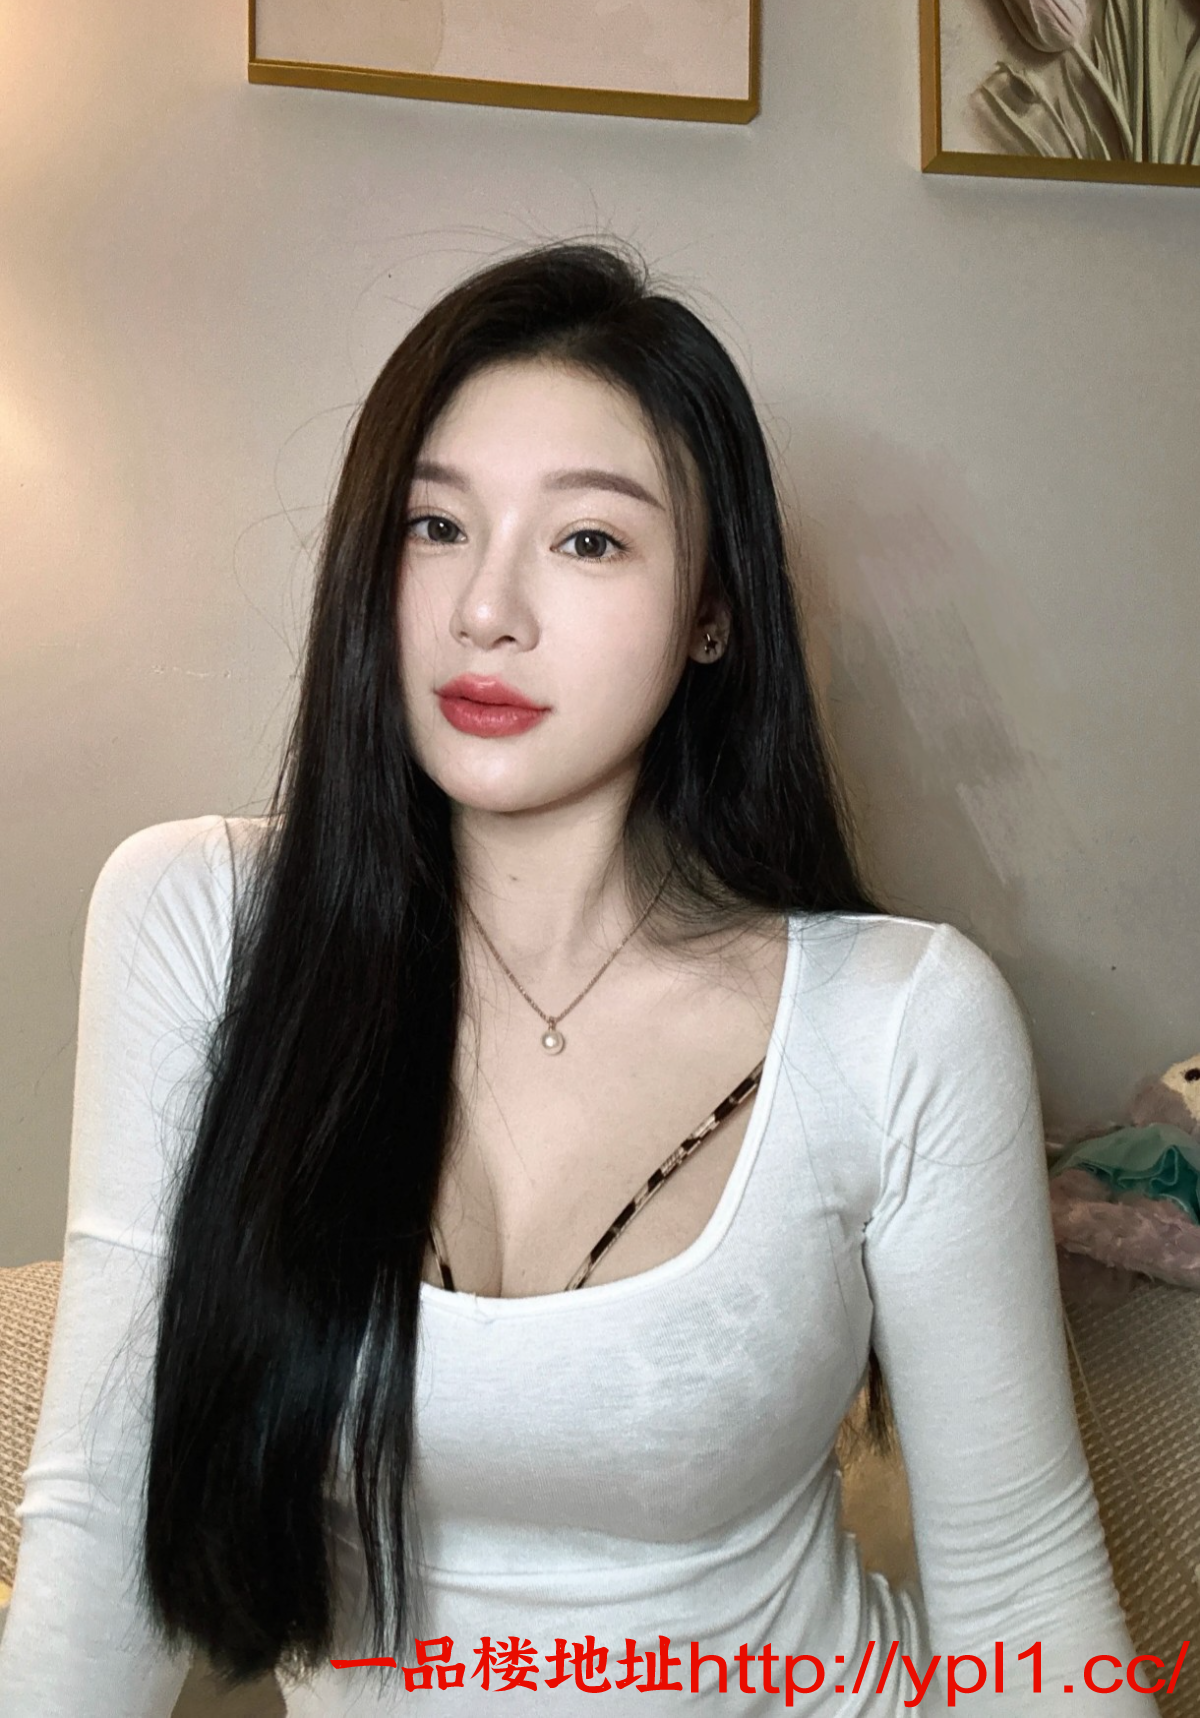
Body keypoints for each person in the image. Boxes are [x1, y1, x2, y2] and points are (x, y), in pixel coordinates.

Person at [0, 240, 1161, 1716]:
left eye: (590, 540)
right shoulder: (201, 924)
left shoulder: (901, 1019)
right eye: (435, 525)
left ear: (712, 612)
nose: (486, 608)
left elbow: (1027, 1594)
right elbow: (107, 1524)